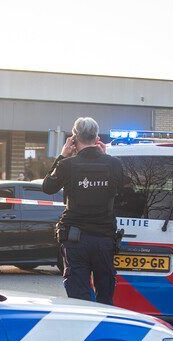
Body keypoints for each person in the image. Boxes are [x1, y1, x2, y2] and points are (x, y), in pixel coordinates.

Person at [42, 117, 123, 305]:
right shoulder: (114, 164)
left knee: (79, 299)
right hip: (104, 239)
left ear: (73, 138)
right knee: (105, 297)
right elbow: (125, 191)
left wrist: (62, 156)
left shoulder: (66, 165)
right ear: (96, 138)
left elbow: (47, 187)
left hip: (75, 240)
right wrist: (106, 157)